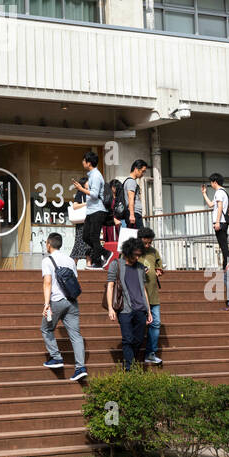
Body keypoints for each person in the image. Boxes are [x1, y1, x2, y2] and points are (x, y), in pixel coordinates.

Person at [40, 231, 88, 381]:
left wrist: (47, 304)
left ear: (49, 244)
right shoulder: (70, 260)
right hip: (72, 302)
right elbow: (74, 281)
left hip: (56, 301)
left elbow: (47, 282)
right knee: (76, 335)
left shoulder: (47, 261)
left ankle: (56, 357)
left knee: (46, 328)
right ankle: (80, 367)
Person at [102, 236, 152, 371]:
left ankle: (132, 362)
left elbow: (144, 289)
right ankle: (129, 368)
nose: (137, 258)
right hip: (124, 309)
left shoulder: (141, 268)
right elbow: (110, 286)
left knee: (139, 339)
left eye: (139, 255)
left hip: (140, 309)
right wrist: (111, 309)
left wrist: (148, 310)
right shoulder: (116, 264)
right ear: (128, 252)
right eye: (135, 255)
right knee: (128, 339)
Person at [71, 150, 108, 268]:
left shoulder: (96, 175)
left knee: (93, 237)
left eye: (84, 160)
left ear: (88, 163)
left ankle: (97, 262)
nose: (82, 162)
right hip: (91, 211)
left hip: (98, 210)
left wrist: (81, 189)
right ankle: (105, 253)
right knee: (86, 236)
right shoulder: (92, 175)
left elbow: (94, 194)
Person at [137, 226, 164, 364]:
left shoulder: (153, 252)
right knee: (139, 325)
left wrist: (159, 271)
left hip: (153, 295)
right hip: (138, 296)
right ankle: (134, 355)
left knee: (156, 323)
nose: (147, 245)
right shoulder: (132, 250)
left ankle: (151, 353)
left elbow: (160, 266)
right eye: (145, 243)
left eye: (149, 243)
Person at [116, 159, 149, 249]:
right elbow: (131, 199)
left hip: (133, 213)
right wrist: (132, 215)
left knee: (134, 238)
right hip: (134, 214)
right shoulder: (131, 182)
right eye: (142, 171)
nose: (143, 174)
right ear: (136, 169)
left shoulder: (129, 181)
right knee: (140, 238)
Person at [201, 173, 229, 270]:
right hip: (222, 222)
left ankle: (228, 266)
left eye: (211, 182)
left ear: (215, 182)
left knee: (223, 246)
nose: (211, 184)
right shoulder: (223, 192)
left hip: (220, 222)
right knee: (223, 245)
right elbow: (210, 204)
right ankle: (226, 266)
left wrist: (217, 222)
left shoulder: (219, 192)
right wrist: (204, 193)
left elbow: (220, 207)